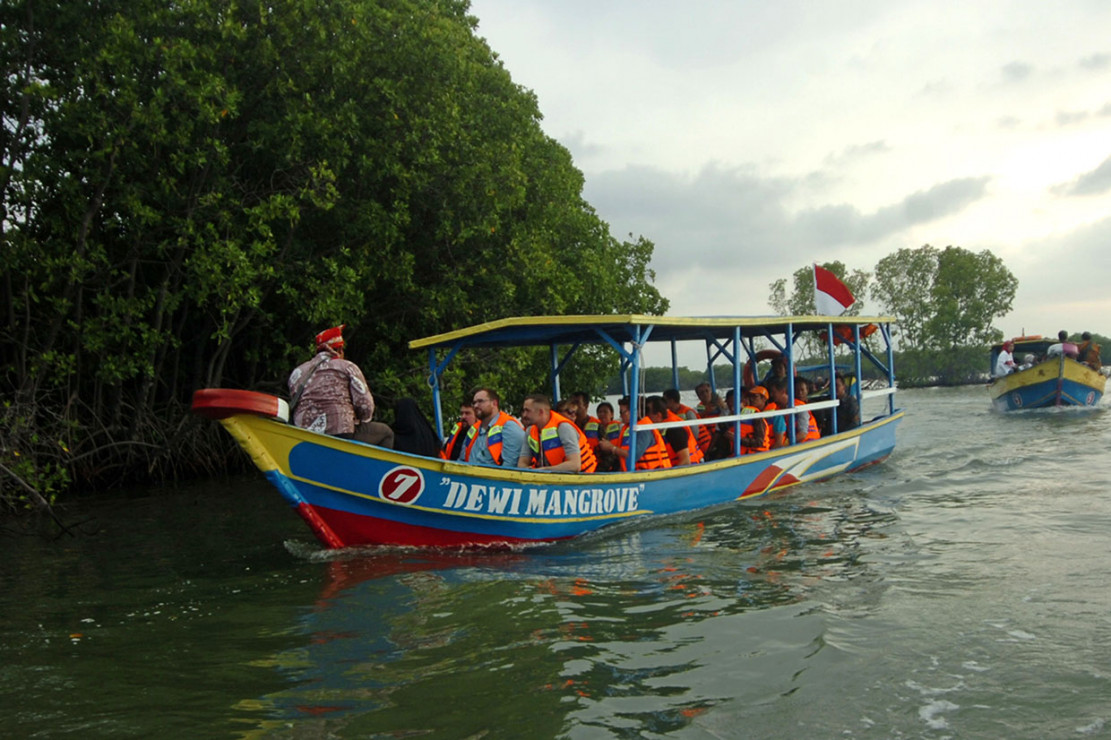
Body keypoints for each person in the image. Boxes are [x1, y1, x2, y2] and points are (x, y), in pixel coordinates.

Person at [288, 324, 394, 446]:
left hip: (305, 434)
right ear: (339, 350)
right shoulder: (347, 367)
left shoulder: (298, 372)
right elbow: (365, 405)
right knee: (386, 433)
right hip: (341, 431)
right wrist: (361, 420)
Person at [518, 394, 597, 472]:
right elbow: (522, 463)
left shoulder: (563, 428)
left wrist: (545, 470)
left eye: (527, 411)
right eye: (524, 411)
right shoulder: (530, 431)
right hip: (552, 478)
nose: (524, 415)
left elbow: (575, 465)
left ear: (540, 412)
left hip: (581, 479)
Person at [597, 396, 671, 470]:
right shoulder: (627, 428)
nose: (620, 416)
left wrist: (611, 448)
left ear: (633, 411)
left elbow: (633, 455)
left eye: (622, 412)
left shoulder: (644, 429)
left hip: (652, 475)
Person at [464, 387, 525, 468]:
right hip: (469, 477)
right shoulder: (474, 429)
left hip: (494, 479)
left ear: (494, 403)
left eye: (480, 401)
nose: (476, 405)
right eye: (474, 403)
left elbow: (510, 466)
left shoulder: (509, 426)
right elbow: (462, 459)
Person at [649, 395, 703, 467]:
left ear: (658, 415)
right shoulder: (664, 425)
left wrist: (669, 476)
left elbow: (686, 461)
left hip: (690, 470)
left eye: (647, 411)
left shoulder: (674, 429)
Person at [663, 388, 712, 455]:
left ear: (671, 401)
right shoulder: (670, 414)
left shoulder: (688, 412)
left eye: (665, 401)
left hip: (702, 445)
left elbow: (695, 432)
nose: (663, 404)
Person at [739, 386, 770, 454]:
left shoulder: (757, 416)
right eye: (750, 396)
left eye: (755, 396)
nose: (751, 399)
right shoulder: (747, 412)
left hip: (758, 455)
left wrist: (738, 439)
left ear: (764, 399)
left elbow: (759, 442)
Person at [793, 377, 820, 443]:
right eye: (797, 390)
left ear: (807, 390)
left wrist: (787, 444)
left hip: (808, 443)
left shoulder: (803, 407)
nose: (800, 393)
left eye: (802, 390)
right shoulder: (794, 405)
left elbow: (803, 434)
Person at [765, 378, 790, 449]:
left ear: (783, 391)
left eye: (773, 392)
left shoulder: (796, 405)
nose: (771, 395)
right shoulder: (775, 407)